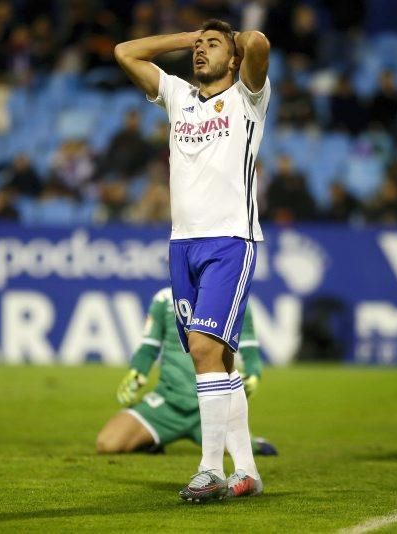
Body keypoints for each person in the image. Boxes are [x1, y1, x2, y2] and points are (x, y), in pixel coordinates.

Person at [115, 19, 271, 501]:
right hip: (182, 243)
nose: (201, 52)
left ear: (234, 58)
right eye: (197, 46)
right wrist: (188, 40)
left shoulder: (249, 97)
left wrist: (237, 41)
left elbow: (260, 43)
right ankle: (246, 470)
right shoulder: (179, 96)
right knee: (219, 361)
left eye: (212, 46)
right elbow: (125, 51)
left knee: (204, 351)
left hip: (229, 240)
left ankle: (208, 468)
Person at [96, 288, 277, 456]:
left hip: (213, 402)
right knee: (107, 444)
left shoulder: (233, 299)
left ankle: (252, 442)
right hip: (167, 404)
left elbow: (249, 347)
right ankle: (151, 438)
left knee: (245, 451)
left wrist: (254, 373)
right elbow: (148, 347)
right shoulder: (165, 299)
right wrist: (137, 371)